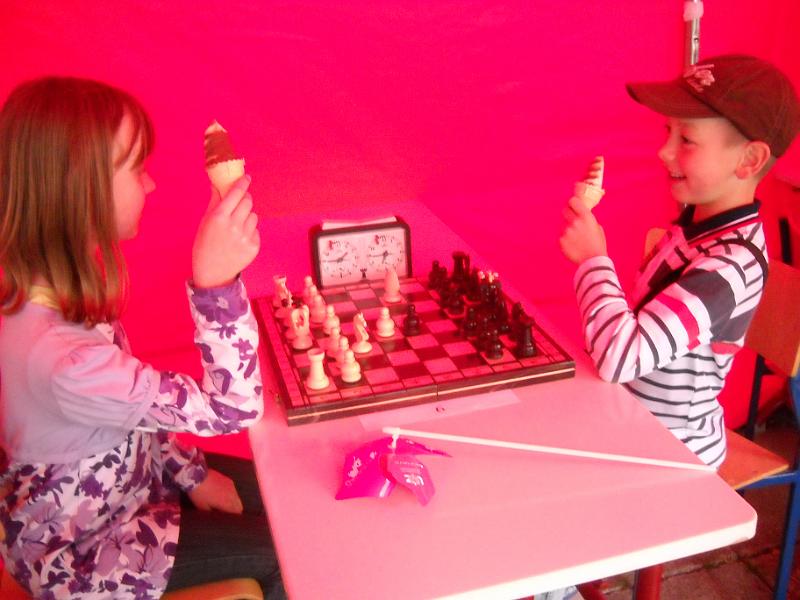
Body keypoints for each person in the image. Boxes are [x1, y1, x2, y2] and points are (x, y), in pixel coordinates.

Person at [0, 77, 284, 599]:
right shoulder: (64, 359)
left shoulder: (52, 290)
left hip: (135, 483)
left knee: (285, 493)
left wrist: (191, 473)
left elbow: (133, 414)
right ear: (79, 188)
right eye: (136, 168)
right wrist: (215, 285)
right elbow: (234, 410)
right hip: (82, 549)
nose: (150, 185)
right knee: (287, 552)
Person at [559, 54, 800, 468]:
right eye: (667, 132)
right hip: (629, 422)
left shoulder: (729, 266)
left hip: (673, 455)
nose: (664, 151)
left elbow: (621, 357)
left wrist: (593, 259)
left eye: (686, 139)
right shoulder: (693, 230)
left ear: (749, 161)